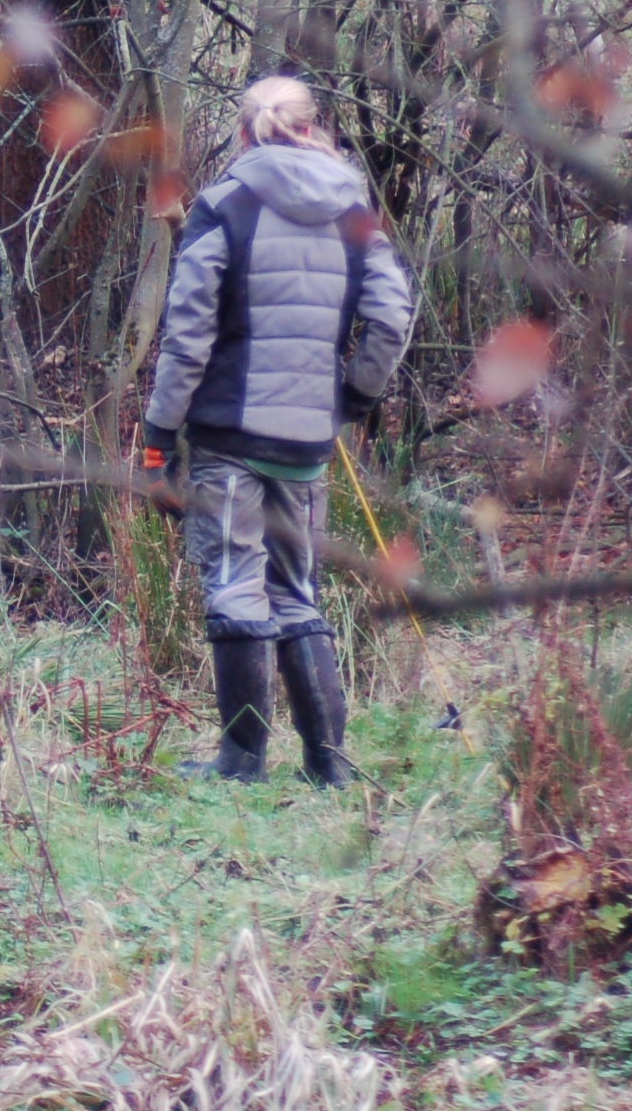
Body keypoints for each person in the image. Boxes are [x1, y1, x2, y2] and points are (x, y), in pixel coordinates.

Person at [142, 76, 415, 786]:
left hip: (227, 433)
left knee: (234, 584)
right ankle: (328, 763)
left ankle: (241, 761)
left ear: (244, 134)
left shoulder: (224, 204)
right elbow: (391, 316)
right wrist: (354, 396)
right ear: (312, 127)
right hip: (306, 441)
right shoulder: (353, 210)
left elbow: (186, 338)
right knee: (298, 591)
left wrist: (157, 437)